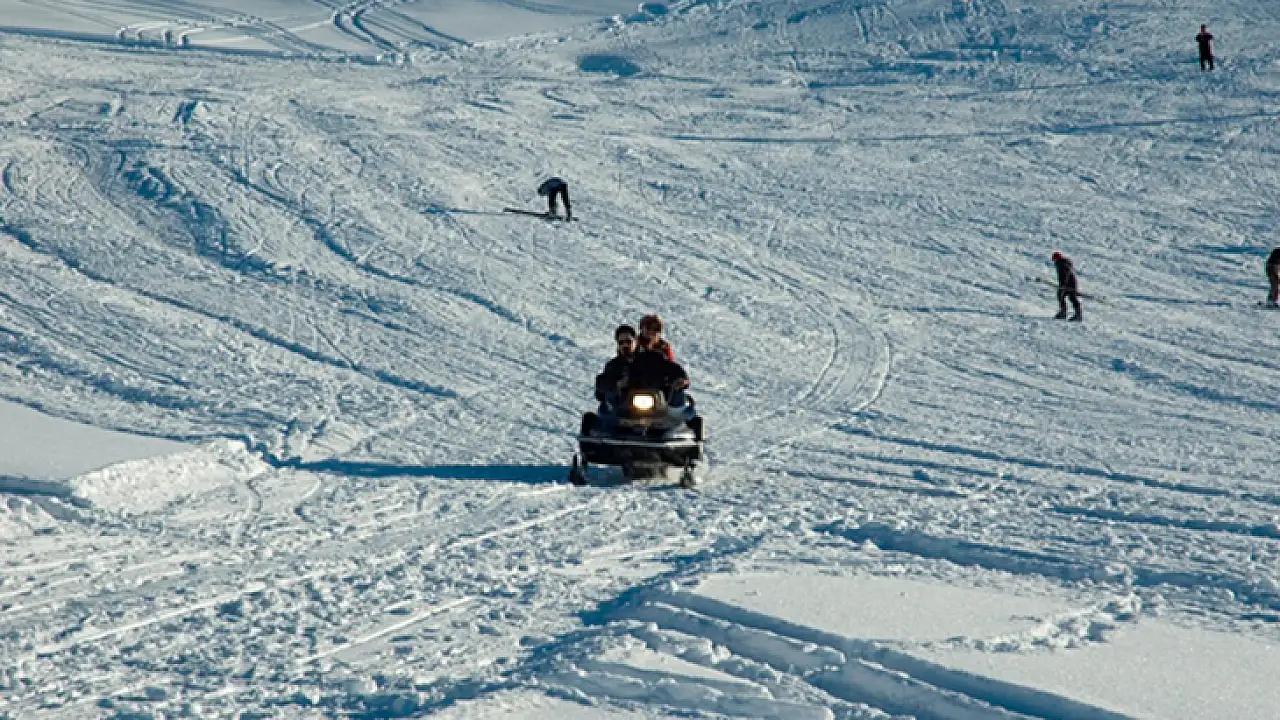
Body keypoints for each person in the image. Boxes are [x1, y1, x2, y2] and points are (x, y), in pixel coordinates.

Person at [595, 324, 638, 402]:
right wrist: (617, 384)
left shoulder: (647, 359)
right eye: (621, 342)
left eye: (628, 341)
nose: (625, 345)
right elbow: (601, 385)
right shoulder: (613, 365)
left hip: (646, 403)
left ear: (635, 341)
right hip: (620, 406)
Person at [1052, 251, 1082, 321]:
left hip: (1069, 284)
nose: (1054, 262)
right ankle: (1076, 314)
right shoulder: (1064, 263)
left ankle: (1065, 313)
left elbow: (1064, 275)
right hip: (1071, 283)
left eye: (1054, 260)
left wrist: (1063, 285)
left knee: (1066, 296)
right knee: (1068, 296)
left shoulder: (1061, 264)